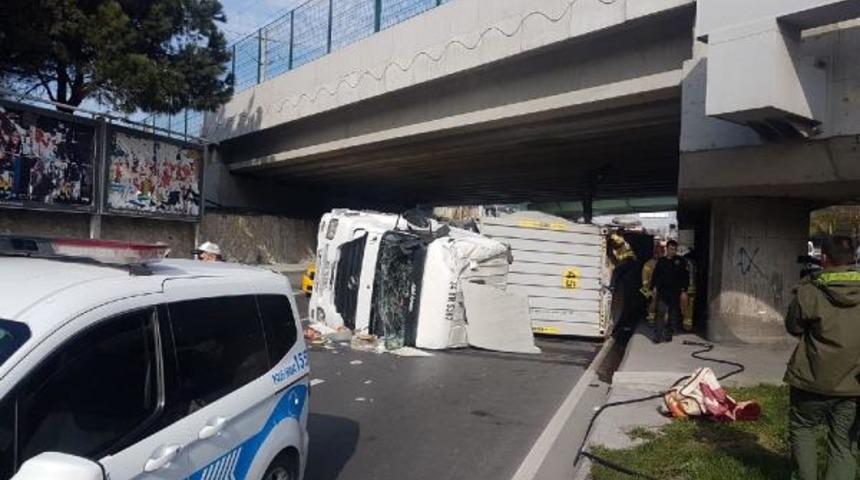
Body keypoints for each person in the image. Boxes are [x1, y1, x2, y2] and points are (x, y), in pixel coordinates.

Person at [785, 236, 860, 480]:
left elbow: (793, 327)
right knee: (843, 443)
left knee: (804, 429)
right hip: (853, 384)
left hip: (811, 379)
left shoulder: (810, 291)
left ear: (824, 258)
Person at [650, 239, 688, 343]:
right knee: (660, 312)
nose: (673, 251)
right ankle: (658, 336)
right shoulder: (661, 261)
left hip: (675, 292)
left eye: (675, 249)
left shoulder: (680, 261)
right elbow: (656, 275)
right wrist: (654, 287)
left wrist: (684, 290)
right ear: (667, 249)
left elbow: (685, 276)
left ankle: (668, 334)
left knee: (673, 315)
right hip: (663, 292)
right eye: (671, 249)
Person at [641, 242, 665, 326]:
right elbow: (644, 280)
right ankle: (651, 318)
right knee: (653, 300)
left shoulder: (665, 263)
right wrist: (650, 290)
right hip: (649, 288)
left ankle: (662, 319)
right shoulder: (648, 264)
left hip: (661, 288)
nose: (659, 254)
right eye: (657, 252)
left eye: (661, 252)